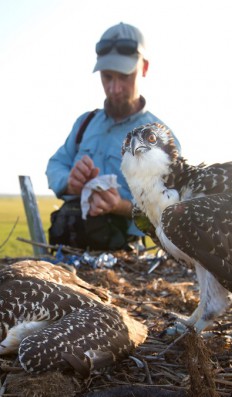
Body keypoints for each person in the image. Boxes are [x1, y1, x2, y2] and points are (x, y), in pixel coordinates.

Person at [46, 22, 179, 251]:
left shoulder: (161, 139)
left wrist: (119, 206)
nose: (114, 88)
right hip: (68, 244)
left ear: (144, 68)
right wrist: (71, 182)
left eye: (124, 76)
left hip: (123, 254)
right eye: (107, 77)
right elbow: (55, 165)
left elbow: (168, 211)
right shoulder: (85, 123)